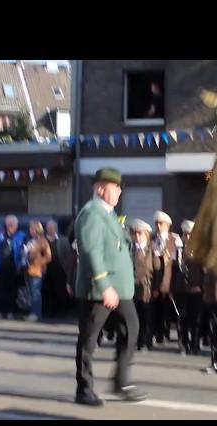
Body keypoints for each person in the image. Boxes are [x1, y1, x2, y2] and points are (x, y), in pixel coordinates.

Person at [74, 168, 147, 406]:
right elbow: (91, 251)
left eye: (119, 188)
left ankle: (121, 382)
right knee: (89, 339)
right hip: (100, 289)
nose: (119, 192)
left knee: (131, 328)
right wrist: (104, 285)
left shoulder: (109, 214)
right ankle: (84, 389)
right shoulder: (92, 213)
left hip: (120, 290)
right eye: (115, 188)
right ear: (100, 188)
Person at [171, 220, 204, 355]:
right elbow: (173, 270)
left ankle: (195, 344)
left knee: (196, 319)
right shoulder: (179, 249)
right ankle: (183, 343)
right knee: (182, 318)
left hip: (196, 289)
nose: (188, 237)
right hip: (181, 289)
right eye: (186, 234)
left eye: (191, 234)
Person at [151, 210, 183, 344]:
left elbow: (178, 263)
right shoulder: (152, 239)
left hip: (169, 279)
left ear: (167, 225)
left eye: (161, 223)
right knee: (155, 308)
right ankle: (156, 333)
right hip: (155, 280)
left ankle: (165, 332)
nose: (158, 226)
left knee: (167, 309)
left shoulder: (174, 239)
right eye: (157, 223)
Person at [0, 215, 26, 320]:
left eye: (12, 224)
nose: (10, 226)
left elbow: (24, 250)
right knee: (1, 290)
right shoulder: (0, 234)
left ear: (16, 225)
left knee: (13, 290)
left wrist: (21, 265)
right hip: (2, 266)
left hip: (14, 266)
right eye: (8, 224)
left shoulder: (21, 235)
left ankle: (10, 311)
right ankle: (0, 311)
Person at [130, 219, 155, 351]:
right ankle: (136, 341)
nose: (137, 236)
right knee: (135, 317)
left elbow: (156, 269)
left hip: (146, 288)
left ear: (146, 234)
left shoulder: (151, 249)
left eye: (140, 233)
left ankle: (146, 341)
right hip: (133, 288)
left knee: (146, 317)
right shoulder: (131, 249)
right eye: (135, 233)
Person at [24, 221, 52, 322]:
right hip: (28, 268)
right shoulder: (31, 240)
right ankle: (32, 312)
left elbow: (48, 257)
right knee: (31, 292)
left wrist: (38, 262)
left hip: (37, 269)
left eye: (32, 229)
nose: (30, 230)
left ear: (37, 230)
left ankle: (36, 313)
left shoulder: (42, 241)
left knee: (36, 292)